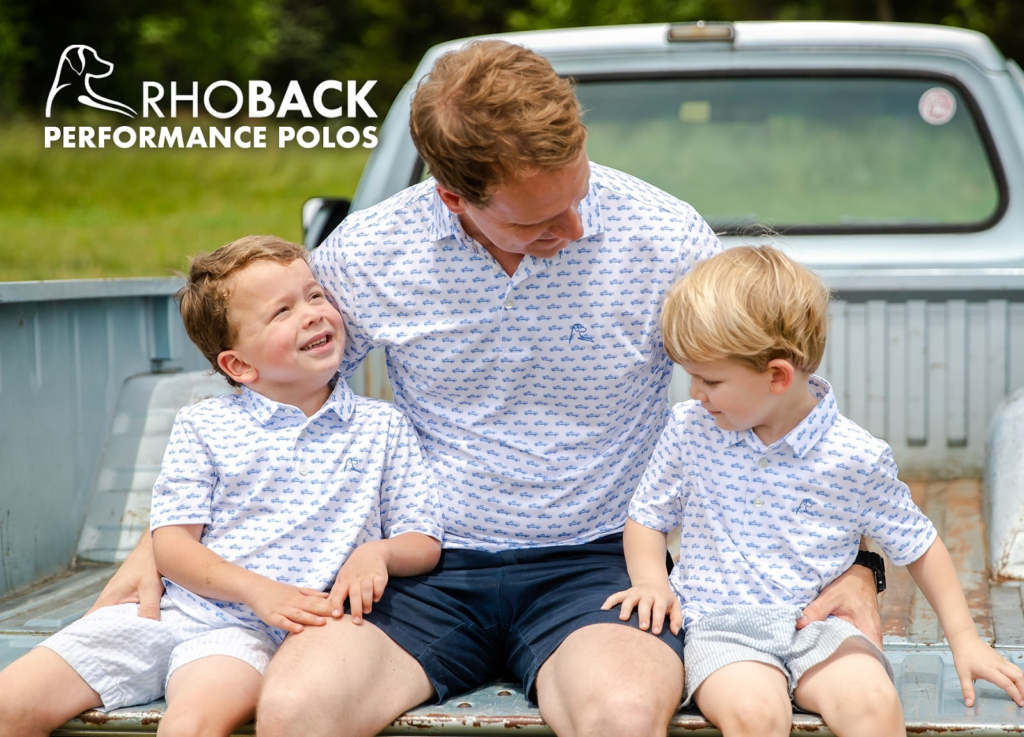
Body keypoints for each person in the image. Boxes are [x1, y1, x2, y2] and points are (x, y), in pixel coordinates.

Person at [91, 42, 881, 737]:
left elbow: (778, 396)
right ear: (453, 197)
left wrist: (857, 564)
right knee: (296, 710)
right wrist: (164, 544)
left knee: (622, 717)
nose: (572, 228)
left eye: (577, 195)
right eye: (540, 222)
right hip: (420, 566)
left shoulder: (661, 234)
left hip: (600, 564)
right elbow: (272, 398)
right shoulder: (372, 252)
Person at [0, 236, 442, 737]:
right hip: (166, 611)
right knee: (10, 702)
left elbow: (422, 539)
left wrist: (379, 554)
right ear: (238, 365)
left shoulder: (382, 427)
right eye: (282, 312)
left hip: (245, 634)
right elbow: (171, 543)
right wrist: (256, 589)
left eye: (315, 295)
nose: (313, 314)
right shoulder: (202, 426)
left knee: (190, 725)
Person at [603, 245, 1024, 736]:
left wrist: (964, 639)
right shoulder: (690, 430)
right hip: (722, 627)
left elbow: (919, 544)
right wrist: (652, 581)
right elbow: (648, 516)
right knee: (756, 714)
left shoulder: (855, 456)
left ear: (777, 376)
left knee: (872, 702)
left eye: (709, 379)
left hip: (822, 627)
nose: (695, 391)